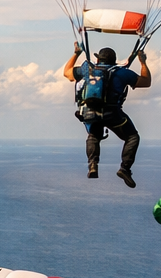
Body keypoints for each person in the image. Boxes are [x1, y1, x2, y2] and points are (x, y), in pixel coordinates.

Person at [63, 44, 150, 187]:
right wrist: (143, 62)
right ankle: (125, 169)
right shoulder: (122, 73)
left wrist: (76, 53)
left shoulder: (87, 70)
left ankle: (93, 165)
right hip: (112, 114)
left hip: (90, 113)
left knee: (93, 135)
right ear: (114, 61)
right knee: (132, 137)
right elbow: (146, 82)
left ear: (98, 60)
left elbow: (67, 73)